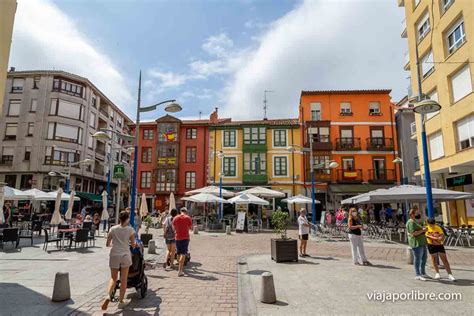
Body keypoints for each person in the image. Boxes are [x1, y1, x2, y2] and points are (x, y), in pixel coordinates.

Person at [102, 211, 137, 310]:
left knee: (113, 278)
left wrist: (115, 244)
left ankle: (108, 295)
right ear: (127, 219)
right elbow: (133, 245)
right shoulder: (130, 230)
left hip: (114, 255)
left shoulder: (112, 229)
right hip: (125, 255)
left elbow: (107, 244)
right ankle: (121, 301)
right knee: (123, 279)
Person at [406, 209, 428, 281]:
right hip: (416, 242)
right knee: (417, 258)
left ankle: (423, 272)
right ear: (412, 214)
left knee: (424, 258)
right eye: (417, 213)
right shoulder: (410, 222)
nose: (418, 214)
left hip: (422, 242)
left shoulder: (415, 221)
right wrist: (423, 230)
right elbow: (413, 233)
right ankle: (417, 274)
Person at [172, 207, 193, 277]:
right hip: (185, 237)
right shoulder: (188, 218)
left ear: (180, 211)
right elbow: (191, 228)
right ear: (186, 212)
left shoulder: (175, 218)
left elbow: (173, 228)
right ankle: (180, 270)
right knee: (183, 254)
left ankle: (179, 264)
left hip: (177, 237)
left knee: (178, 253)